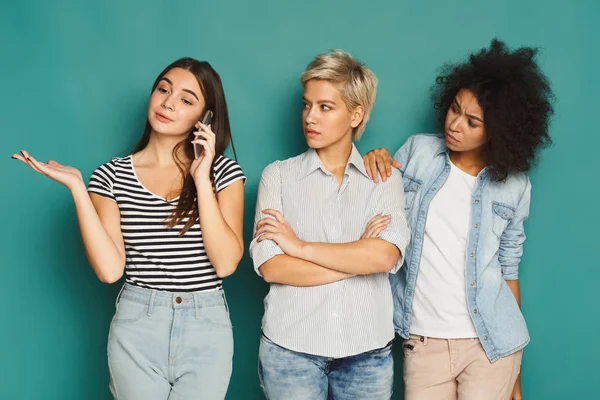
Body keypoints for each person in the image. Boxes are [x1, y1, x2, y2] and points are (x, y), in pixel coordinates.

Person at [13, 57, 246, 399]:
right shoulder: (110, 176)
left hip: (206, 325)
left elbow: (226, 263)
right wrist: (79, 188)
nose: (168, 102)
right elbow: (109, 270)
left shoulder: (222, 173)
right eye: (163, 90)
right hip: (139, 322)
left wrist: (200, 176)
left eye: (186, 99)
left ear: (206, 117)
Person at [363, 39, 554, 400]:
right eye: (454, 109)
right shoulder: (418, 151)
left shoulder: (514, 185)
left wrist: (515, 375)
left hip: (490, 344)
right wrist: (375, 160)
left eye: (472, 122)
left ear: (498, 130)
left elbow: (508, 269)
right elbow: (380, 212)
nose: (455, 125)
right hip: (423, 341)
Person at [249, 49, 410, 399]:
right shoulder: (277, 177)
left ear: (356, 114)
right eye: (307, 105)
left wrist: (300, 247)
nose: (310, 117)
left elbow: (382, 258)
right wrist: (355, 259)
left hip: (367, 354)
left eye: (325, 107)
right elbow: (273, 266)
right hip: (290, 350)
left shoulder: (383, 178)